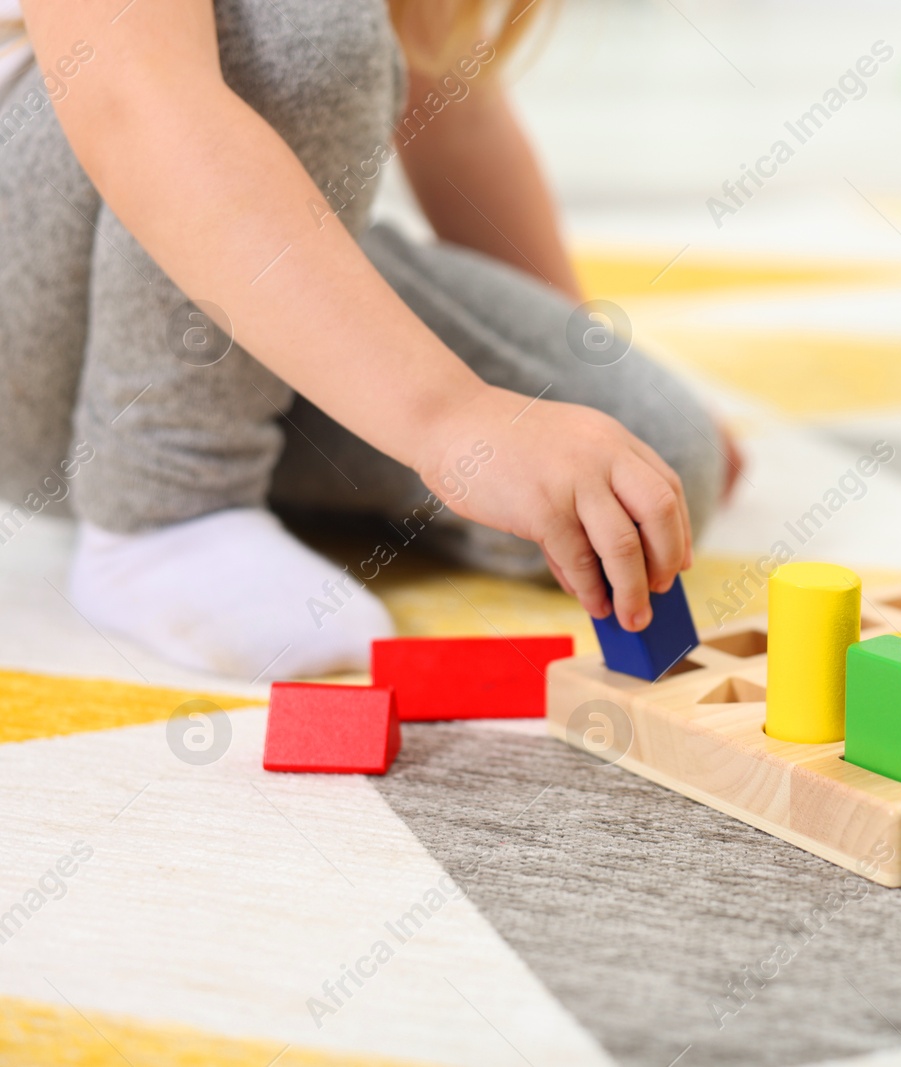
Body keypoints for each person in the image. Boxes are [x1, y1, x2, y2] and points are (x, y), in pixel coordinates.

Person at [0, 0, 736, 679]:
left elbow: (453, 107)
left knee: (637, 466)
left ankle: (218, 467)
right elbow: (136, 101)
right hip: (36, 295)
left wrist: (569, 382)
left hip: (199, 261)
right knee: (299, 17)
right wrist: (454, 421)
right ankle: (165, 506)